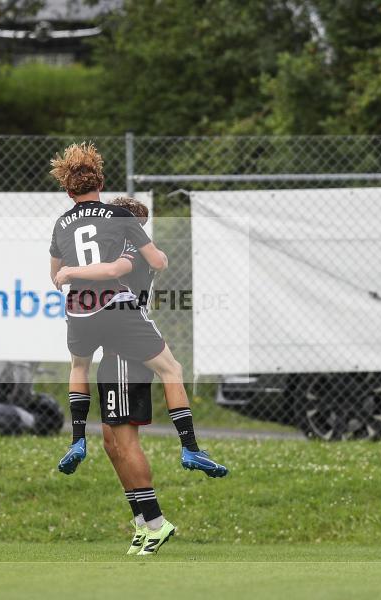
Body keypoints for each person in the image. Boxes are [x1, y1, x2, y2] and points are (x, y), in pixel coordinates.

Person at [47, 143, 225, 554]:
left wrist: (72, 271)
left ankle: (157, 520)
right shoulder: (123, 230)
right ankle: (145, 521)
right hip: (115, 343)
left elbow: (113, 268)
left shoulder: (125, 247)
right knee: (113, 443)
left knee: (124, 442)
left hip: (123, 351)